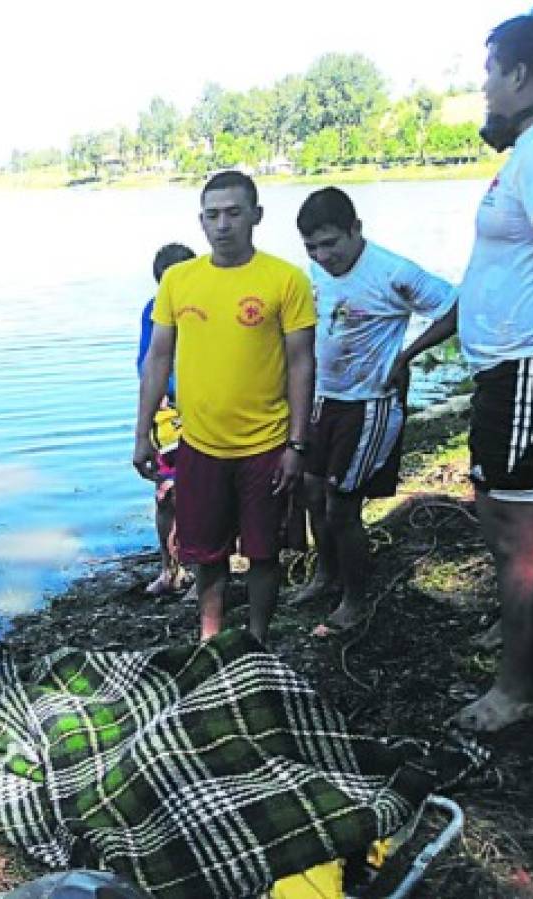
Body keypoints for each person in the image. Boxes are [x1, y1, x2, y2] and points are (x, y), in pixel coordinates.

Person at [442, 8, 533, 733]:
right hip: (504, 371)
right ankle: (514, 634)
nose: (484, 84)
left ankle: (518, 687)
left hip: (531, 369)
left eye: (491, 69)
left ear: (521, 72)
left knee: (519, 532)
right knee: (500, 519)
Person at [133, 171, 316, 644]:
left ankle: (257, 639)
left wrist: (297, 442)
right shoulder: (179, 280)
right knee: (206, 553)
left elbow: (301, 363)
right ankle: (210, 640)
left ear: (255, 216)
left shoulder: (285, 279)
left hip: (267, 443)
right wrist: (142, 434)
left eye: (234, 213)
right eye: (213, 215)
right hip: (200, 443)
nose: (223, 225)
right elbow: (157, 359)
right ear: (201, 221)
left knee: (262, 552)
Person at [295, 187, 457, 629]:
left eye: (331, 243)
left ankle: (355, 598)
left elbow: (454, 307)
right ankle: (324, 574)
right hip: (324, 398)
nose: (323, 255)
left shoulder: (393, 272)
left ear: (356, 229)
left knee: (342, 506)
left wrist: (406, 354)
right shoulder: (315, 270)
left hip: (368, 404)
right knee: (311, 492)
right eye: (312, 246)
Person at [138, 243, 197, 596]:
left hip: (207, 415)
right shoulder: (153, 311)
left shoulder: (212, 306)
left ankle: (203, 574)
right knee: (166, 494)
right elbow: (147, 363)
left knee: (206, 495)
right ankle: (169, 569)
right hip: (169, 419)